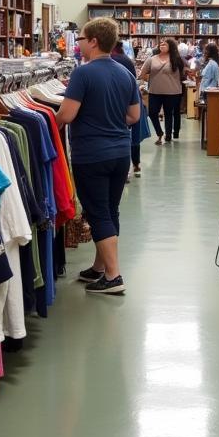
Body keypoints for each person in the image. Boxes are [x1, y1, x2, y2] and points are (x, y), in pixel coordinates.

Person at [56, 17, 140, 295]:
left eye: (80, 39)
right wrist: (109, 119)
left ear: (93, 41)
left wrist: (47, 126)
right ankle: (100, 267)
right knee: (110, 210)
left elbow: (66, 115)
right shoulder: (126, 73)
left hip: (91, 154)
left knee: (97, 212)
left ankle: (114, 276)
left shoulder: (83, 73)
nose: (78, 45)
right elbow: (134, 116)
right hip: (120, 153)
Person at [112, 40, 148, 178]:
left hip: (122, 101)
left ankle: (126, 170)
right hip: (133, 99)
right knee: (134, 135)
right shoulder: (125, 59)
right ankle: (136, 164)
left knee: (125, 134)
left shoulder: (114, 60)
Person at [139, 37, 185, 145]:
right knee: (152, 112)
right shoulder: (152, 59)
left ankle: (168, 135)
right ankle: (159, 132)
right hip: (155, 91)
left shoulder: (176, 60)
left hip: (172, 92)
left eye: (165, 44)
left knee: (169, 114)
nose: (162, 45)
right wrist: (144, 81)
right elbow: (142, 73)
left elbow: (183, 73)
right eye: (161, 43)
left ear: (171, 47)